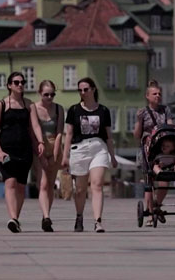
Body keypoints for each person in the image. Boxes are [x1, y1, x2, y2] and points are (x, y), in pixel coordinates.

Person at [0, 71, 46, 233]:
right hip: (7, 149)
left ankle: (16, 219)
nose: (20, 85)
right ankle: (13, 218)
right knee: (10, 182)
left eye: (22, 82)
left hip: (25, 149)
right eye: (16, 82)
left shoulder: (29, 105)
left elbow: (35, 125)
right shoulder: (1, 104)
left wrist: (40, 142)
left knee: (21, 186)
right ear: (9, 85)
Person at [62, 77, 118, 233]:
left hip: (98, 148)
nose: (82, 92)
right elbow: (69, 134)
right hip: (79, 149)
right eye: (80, 90)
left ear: (93, 89)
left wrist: (112, 156)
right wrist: (65, 156)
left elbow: (108, 136)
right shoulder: (74, 110)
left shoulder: (103, 111)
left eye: (86, 89)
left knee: (97, 184)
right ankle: (79, 216)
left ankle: (97, 221)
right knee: (80, 190)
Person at [133, 80, 174, 223]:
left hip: (163, 148)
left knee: (164, 180)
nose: (157, 96)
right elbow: (137, 135)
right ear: (147, 96)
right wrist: (138, 121)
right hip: (148, 149)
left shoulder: (165, 110)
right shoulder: (143, 112)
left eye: (159, 94)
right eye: (154, 94)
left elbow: (170, 126)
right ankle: (150, 214)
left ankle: (157, 204)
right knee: (149, 182)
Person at [34, 80, 65, 232]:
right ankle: (46, 217)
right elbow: (32, 130)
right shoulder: (33, 108)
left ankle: (47, 215)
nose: (49, 97)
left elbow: (59, 132)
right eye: (46, 94)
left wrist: (55, 154)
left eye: (52, 94)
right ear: (40, 93)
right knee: (43, 184)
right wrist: (41, 156)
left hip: (55, 146)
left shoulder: (59, 109)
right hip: (39, 147)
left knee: (50, 184)